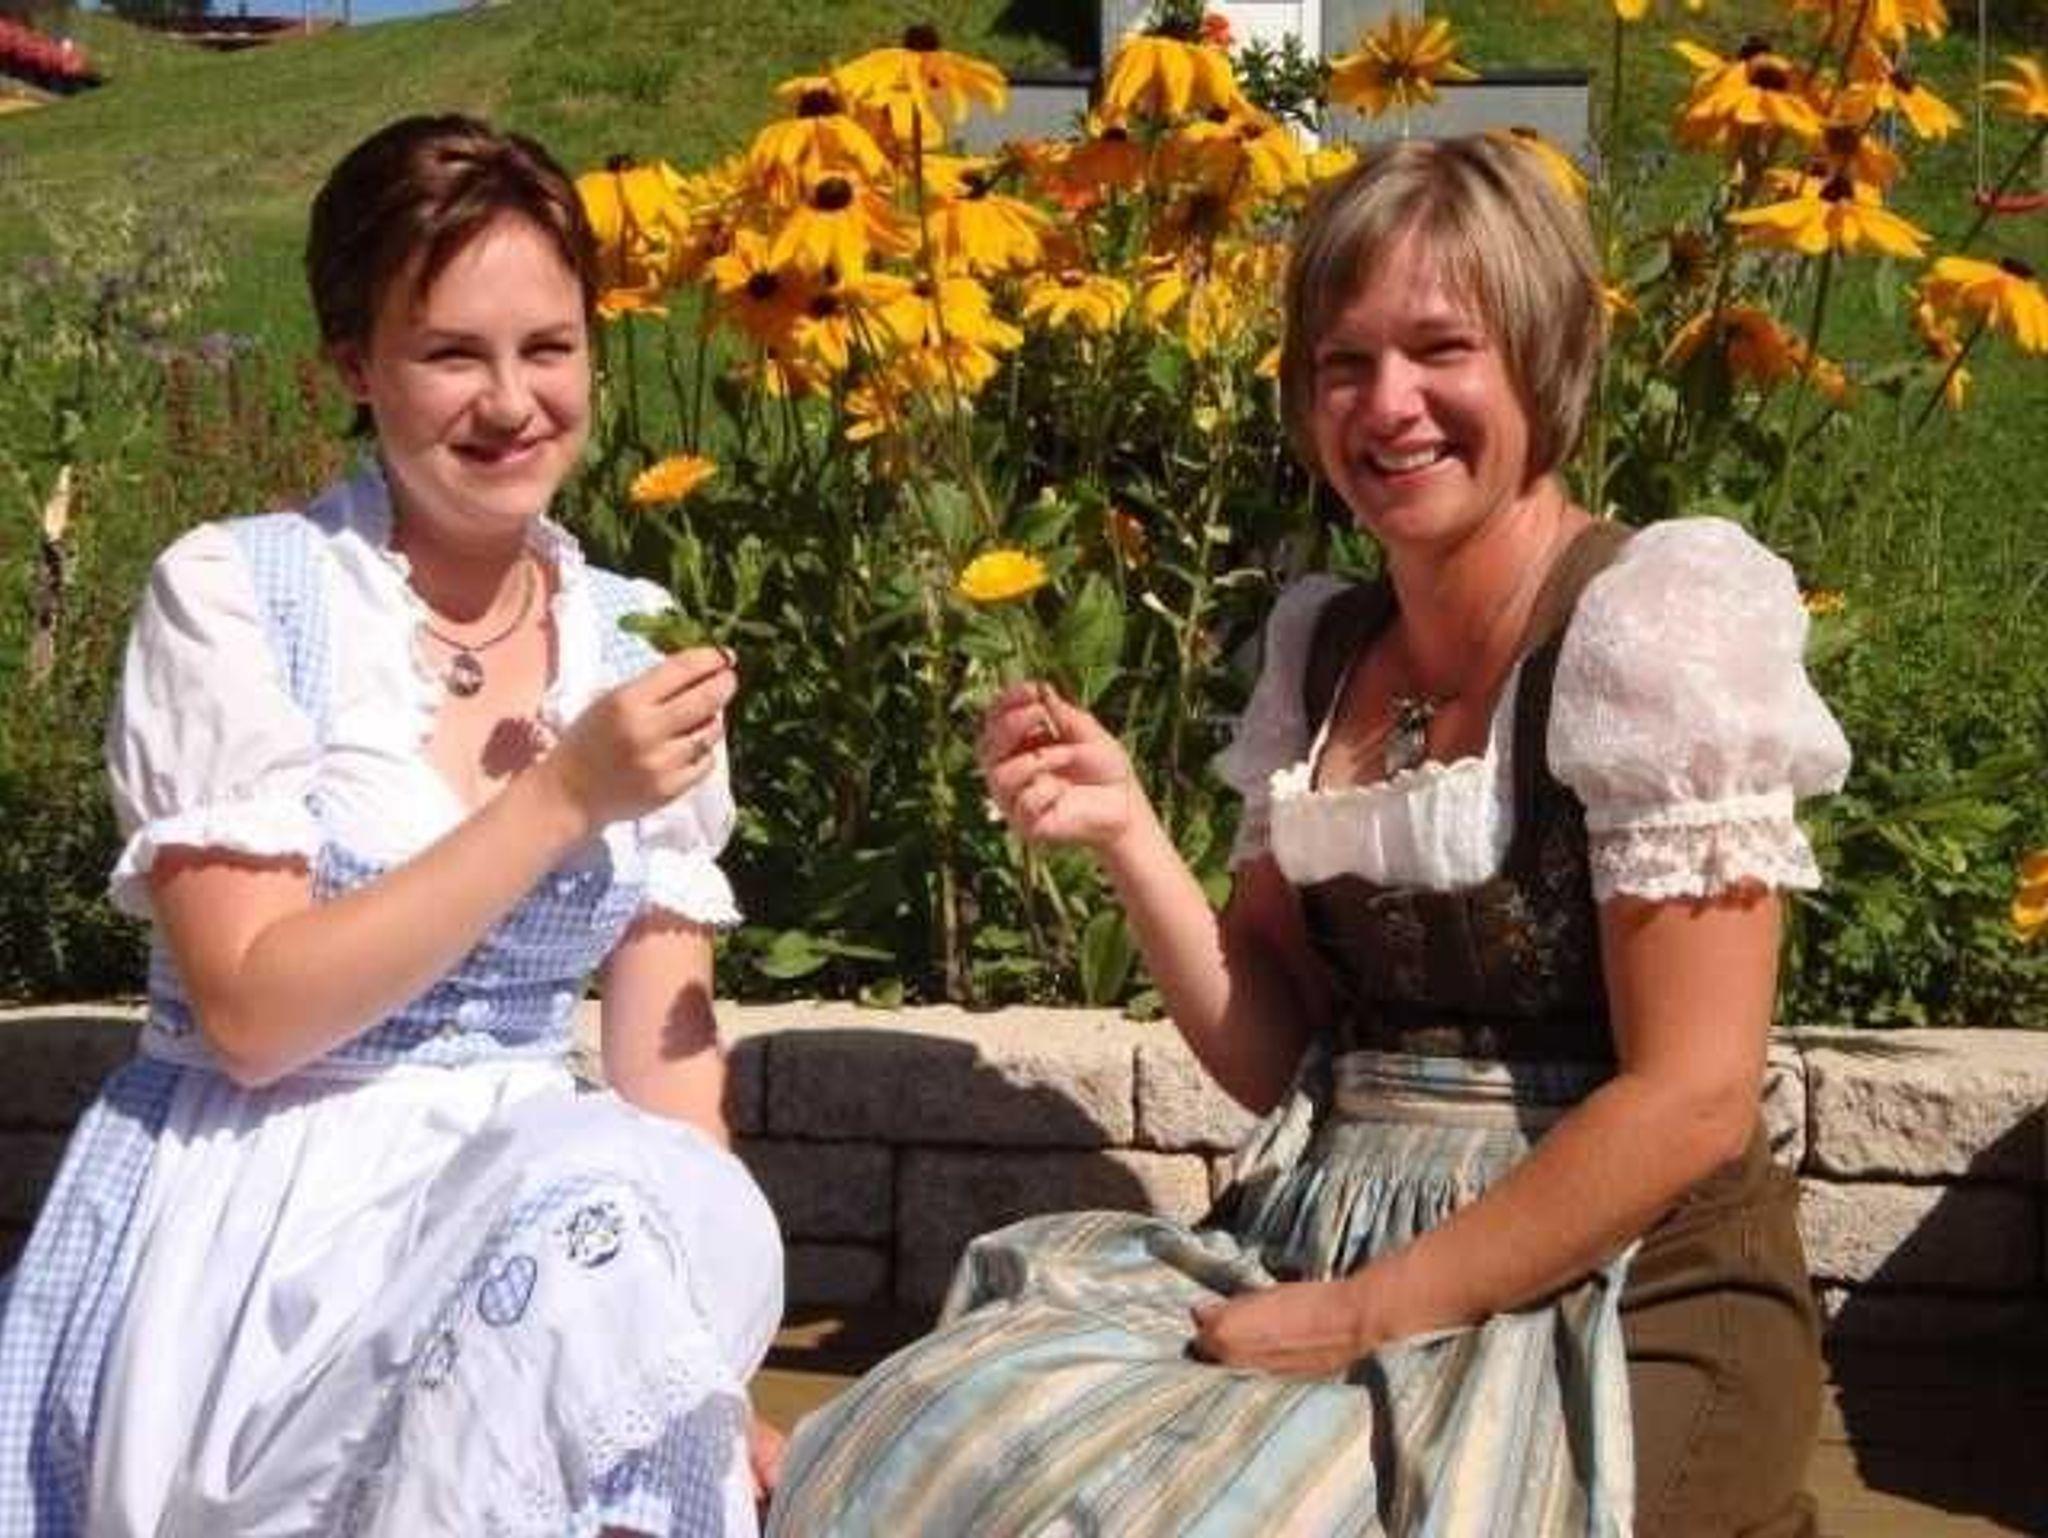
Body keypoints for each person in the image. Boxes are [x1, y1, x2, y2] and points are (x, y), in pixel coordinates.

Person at [768, 135, 1850, 1536]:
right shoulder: (1324, 647)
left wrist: (1363, 1312)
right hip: (1325, 1235)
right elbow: (1279, 1054)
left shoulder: (1650, 626)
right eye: (1345, 362)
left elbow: (1693, 1095)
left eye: (1442, 349)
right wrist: (1130, 833)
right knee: (944, 1436)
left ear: (1544, 359)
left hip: (1625, 1280)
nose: (1388, 405)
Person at [0, 115, 784, 1536]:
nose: (512, 401)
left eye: (549, 348)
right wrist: (559, 798)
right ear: (354, 366)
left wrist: (702, 1367)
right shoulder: (239, 597)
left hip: (548, 1241)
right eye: (451, 354)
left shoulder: (635, 640)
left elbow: (663, 1078)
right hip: (271, 1227)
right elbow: (254, 1016)